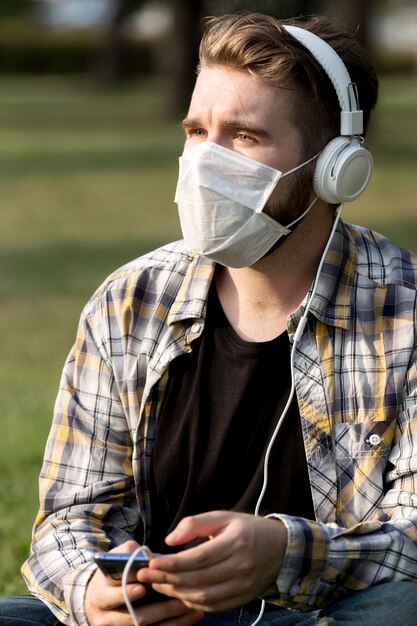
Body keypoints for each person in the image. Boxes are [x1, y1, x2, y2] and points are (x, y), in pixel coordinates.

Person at [1, 11, 417, 626]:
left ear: (337, 168)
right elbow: (71, 516)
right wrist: (93, 592)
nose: (204, 163)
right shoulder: (130, 300)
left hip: (318, 614)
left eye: (244, 137)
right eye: (197, 131)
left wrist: (283, 553)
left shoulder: (405, 313)